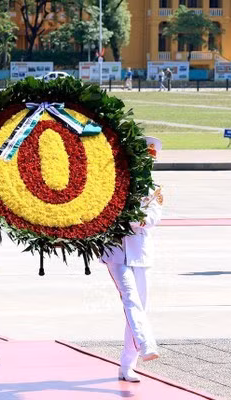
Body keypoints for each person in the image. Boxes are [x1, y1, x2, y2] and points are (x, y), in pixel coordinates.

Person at [101, 136, 163, 383]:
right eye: (143, 159)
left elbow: (153, 218)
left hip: (141, 253)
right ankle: (147, 344)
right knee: (130, 299)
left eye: (150, 160)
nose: (146, 164)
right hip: (116, 252)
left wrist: (133, 219)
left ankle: (128, 364)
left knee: (140, 307)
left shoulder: (154, 188)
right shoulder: (117, 182)